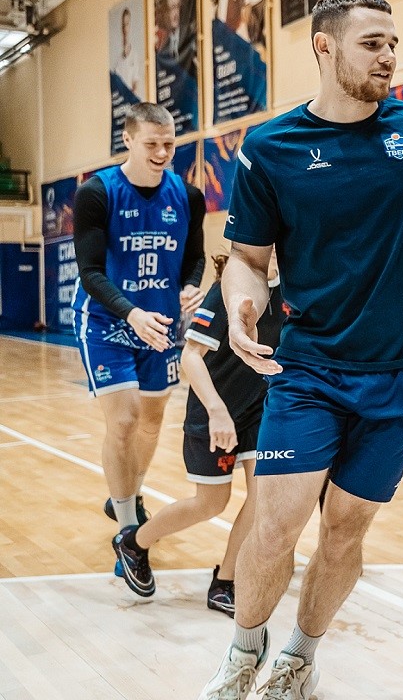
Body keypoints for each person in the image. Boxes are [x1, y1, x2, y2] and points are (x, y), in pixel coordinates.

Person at [197, 0, 403, 700]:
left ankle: (299, 658)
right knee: (274, 526)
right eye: (371, 43)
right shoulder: (270, 148)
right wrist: (242, 308)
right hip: (309, 370)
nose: (388, 57)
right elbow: (248, 260)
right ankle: (242, 655)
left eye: (392, 43)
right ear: (325, 47)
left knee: (346, 530)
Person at [71, 102, 205, 585]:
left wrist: (190, 286)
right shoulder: (96, 193)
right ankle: (129, 532)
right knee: (125, 421)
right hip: (108, 320)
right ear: (127, 140)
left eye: (169, 144)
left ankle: (130, 493)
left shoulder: (188, 196)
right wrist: (131, 312)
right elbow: (90, 272)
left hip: (161, 322)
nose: (163, 153)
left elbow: (194, 258)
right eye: (152, 143)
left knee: (151, 422)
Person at [111, 251, 283, 612]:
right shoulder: (227, 291)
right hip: (213, 411)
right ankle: (135, 543)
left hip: (258, 412)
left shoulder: (291, 292)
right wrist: (217, 412)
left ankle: (225, 581)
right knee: (211, 503)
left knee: (263, 498)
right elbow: (190, 356)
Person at [113, 6, 142, 98]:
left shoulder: (134, 56)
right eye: (123, 25)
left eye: (127, 24)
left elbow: (136, 84)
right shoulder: (117, 59)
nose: (125, 28)